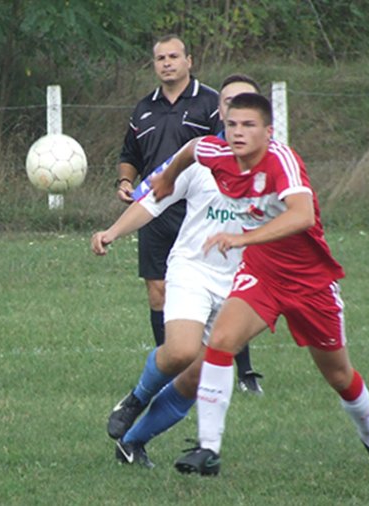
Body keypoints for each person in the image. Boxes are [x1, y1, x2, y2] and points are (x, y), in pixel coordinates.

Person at [150, 92, 369, 478]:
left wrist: (243, 238)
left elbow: (301, 215)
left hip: (309, 282)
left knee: (339, 375)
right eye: (232, 124)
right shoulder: (218, 153)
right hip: (262, 274)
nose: (238, 132)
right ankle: (209, 449)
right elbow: (193, 149)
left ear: (268, 131)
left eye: (249, 125)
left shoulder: (282, 159)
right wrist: (167, 179)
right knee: (221, 342)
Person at [98, 76, 262, 468]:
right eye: (228, 103)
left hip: (240, 285)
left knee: (197, 375)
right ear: (219, 110)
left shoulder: (277, 166)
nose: (236, 112)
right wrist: (112, 232)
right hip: (193, 269)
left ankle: (132, 444)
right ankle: (134, 400)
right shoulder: (199, 154)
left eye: (246, 104)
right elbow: (153, 200)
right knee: (182, 351)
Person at [116, 35, 260, 393]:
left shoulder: (212, 103)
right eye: (160, 58)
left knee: (228, 295)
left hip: (201, 211)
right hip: (157, 209)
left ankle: (244, 372)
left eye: (173, 56)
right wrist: (125, 180)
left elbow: (228, 150)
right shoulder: (143, 108)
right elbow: (130, 154)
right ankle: (169, 367)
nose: (167, 63)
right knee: (157, 291)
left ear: (189, 61)